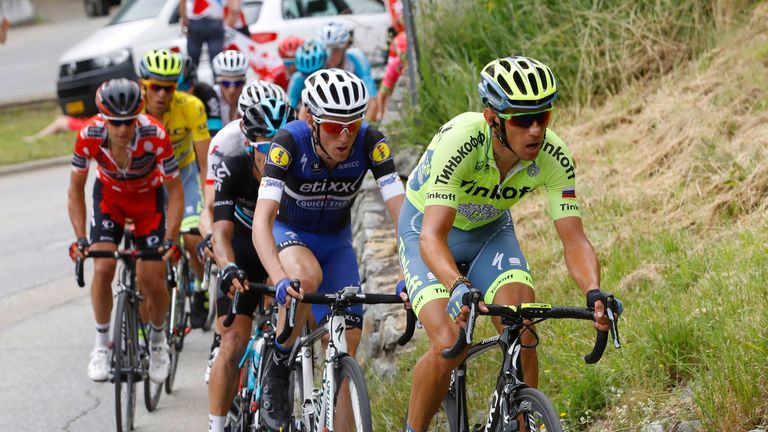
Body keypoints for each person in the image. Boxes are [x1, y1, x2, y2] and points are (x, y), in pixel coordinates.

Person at [397, 56, 621, 431]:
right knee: (450, 340)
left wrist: (594, 291)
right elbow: (431, 237)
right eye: (522, 120)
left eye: (543, 117)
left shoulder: (554, 155)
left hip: (489, 230)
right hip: (428, 229)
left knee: (522, 319)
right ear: (493, 118)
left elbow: (574, 238)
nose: (535, 130)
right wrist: (459, 286)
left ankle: (522, 420)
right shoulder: (461, 141)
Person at [252, 68, 405, 431]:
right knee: (305, 277)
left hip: (337, 244)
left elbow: (404, 214)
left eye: (352, 125)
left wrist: (408, 273)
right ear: (311, 120)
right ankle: (280, 362)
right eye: (335, 127)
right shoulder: (288, 142)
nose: (346, 136)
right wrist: (277, 278)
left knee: (347, 350)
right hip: (289, 232)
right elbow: (261, 222)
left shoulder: (371, 142)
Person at [67, 78, 183, 383]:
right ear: (103, 118)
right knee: (103, 266)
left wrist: (170, 239)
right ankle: (101, 345)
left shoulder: (155, 135)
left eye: (129, 121)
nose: (122, 129)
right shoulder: (88, 134)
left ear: (139, 115)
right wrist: (81, 238)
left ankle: (158, 342)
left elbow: (176, 191)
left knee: (151, 276)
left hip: (148, 201)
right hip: (110, 199)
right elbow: (75, 190)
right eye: (115, 122)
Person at [207, 99, 294, 432]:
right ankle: (216, 426)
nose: (272, 157)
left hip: (279, 251)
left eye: (279, 147)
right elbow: (221, 232)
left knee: (285, 333)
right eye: (264, 148)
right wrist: (228, 266)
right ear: (249, 144)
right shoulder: (233, 166)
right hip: (242, 252)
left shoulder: (296, 171)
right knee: (232, 343)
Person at [195, 80, 285, 364]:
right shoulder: (226, 141)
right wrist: (210, 237)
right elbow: (211, 202)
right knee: (217, 243)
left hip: (273, 226)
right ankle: (221, 343)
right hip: (236, 218)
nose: (267, 130)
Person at [139, 48, 211, 298]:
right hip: (150, 182)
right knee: (154, 249)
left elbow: (205, 164)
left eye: (168, 88)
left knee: (192, 239)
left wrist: (207, 206)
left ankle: (200, 290)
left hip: (185, 175)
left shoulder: (192, 106)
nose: (161, 94)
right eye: (155, 86)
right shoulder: (134, 112)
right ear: (143, 85)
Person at [317, 21, 380, 119]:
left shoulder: (356, 59)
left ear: (345, 47)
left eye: (336, 50)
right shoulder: (318, 61)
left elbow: (373, 102)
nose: (331, 55)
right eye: (327, 50)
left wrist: (364, 130)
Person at [178, 53, 224, 136]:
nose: (181, 93)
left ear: (194, 82)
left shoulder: (207, 92)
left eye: (186, 86)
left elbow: (215, 135)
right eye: (176, 88)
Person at [180, 0, 227, 70]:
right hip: (215, 21)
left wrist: (184, 20)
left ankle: (191, 78)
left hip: (195, 22)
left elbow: (182, 2)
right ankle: (218, 79)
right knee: (217, 61)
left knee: (192, 62)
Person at [372, 30, 407, 122]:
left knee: (388, 96)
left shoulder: (400, 64)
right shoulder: (394, 65)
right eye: (402, 52)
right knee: (386, 96)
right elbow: (382, 93)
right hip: (392, 79)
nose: (404, 55)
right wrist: (380, 111)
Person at [286, 38, 327, 111]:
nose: (310, 78)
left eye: (315, 72)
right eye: (305, 74)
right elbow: (290, 107)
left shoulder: (330, 74)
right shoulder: (297, 78)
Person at [211, 50, 249, 125]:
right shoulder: (210, 96)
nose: (232, 90)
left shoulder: (250, 98)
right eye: (226, 83)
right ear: (218, 82)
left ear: (244, 82)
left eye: (238, 83)